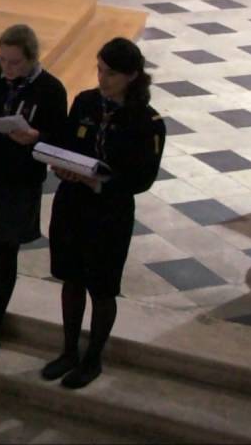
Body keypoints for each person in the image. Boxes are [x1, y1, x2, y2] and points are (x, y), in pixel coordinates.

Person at [43, 38, 165, 389]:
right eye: (99, 69)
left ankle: (92, 358)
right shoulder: (85, 102)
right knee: (71, 278)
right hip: (72, 204)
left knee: (102, 286)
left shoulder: (147, 122)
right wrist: (63, 166)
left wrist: (100, 182)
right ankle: (68, 351)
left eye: (110, 73)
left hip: (109, 212)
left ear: (131, 76)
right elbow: (67, 145)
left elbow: (142, 178)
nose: (102, 78)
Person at [0, 24, 68, 358]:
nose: (7, 68)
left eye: (15, 62)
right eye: (3, 60)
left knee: (6, 253)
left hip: (19, 182)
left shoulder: (50, 90)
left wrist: (36, 138)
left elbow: (59, 141)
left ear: (32, 59)